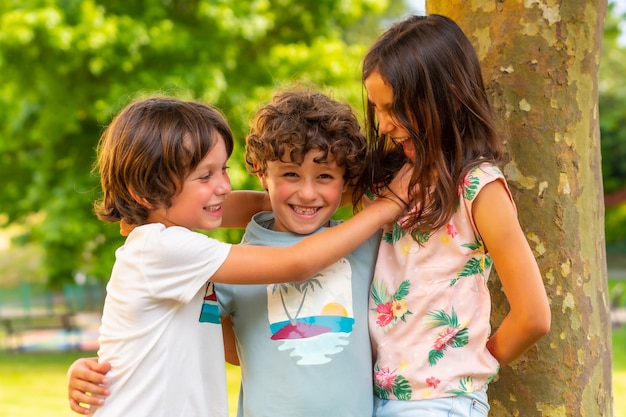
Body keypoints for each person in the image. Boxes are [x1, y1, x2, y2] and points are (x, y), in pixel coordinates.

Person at [67, 96, 408, 417]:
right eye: (205, 175)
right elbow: (297, 263)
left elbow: (227, 348)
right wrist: (386, 206)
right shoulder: (161, 248)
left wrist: (286, 197)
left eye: (223, 170)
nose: (225, 187)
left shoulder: (168, 247)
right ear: (146, 190)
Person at [354, 14, 551, 416]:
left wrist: (469, 365)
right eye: (376, 108)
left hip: (442, 401)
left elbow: (533, 316)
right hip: (375, 396)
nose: (384, 124)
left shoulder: (478, 188)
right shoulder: (392, 178)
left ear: (450, 96)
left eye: (395, 109)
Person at [216, 89, 377, 417]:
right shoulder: (234, 265)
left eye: (325, 176)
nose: (307, 193)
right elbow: (192, 340)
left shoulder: (364, 245)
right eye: (291, 174)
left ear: (345, 181)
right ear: (262, 172)